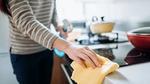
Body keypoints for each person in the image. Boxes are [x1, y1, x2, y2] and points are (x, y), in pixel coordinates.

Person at [0, 0, 102, 84]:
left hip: (45, 49)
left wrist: (59, 25)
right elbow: (27, 22)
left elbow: (53, 12)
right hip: (24, 54)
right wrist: (67, 46)